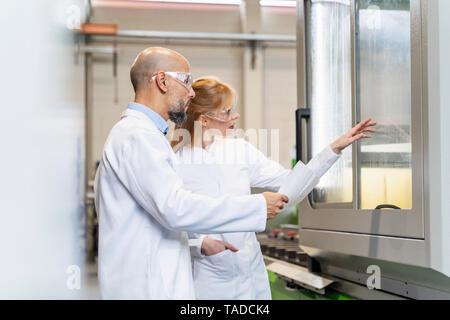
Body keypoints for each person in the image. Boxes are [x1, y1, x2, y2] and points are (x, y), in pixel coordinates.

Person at [94, 48, 288, 300]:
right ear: (162, 81)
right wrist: (257, 207)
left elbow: (164, 214)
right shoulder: (137, 136)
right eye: (185, 81)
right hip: (147, 288)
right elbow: (176, 208)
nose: (192, 92)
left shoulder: (146, 136)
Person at [172, 77, 376, 300]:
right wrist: (200, 244)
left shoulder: (239, 150)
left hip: (249, 270)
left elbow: (287, 183)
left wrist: (332, 150)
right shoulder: (176, 163)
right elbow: (168, 222)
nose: (235, 116)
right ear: (204, 120)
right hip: (207, 276)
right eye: (227, 111)